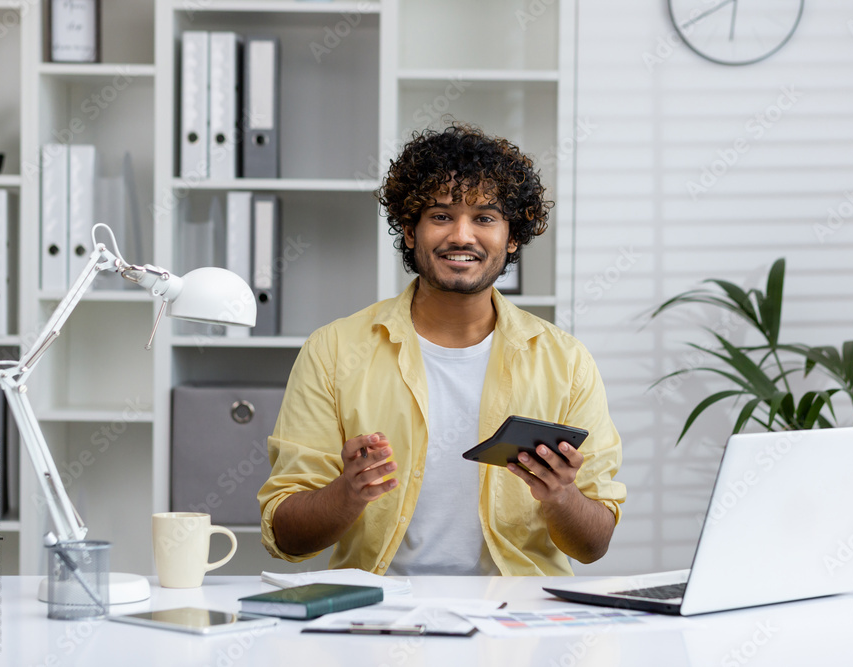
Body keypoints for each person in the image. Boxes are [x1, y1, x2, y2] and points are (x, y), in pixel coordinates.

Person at [258, 123, 625, 576]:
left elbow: (594, 545)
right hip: (379, 616)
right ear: (410, 232)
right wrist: (347, 493)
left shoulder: (565, 361)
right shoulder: (333, 350)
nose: (462, 236)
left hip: (517, 621)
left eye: (485, 218)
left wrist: (561, 496)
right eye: (441, 215)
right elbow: (285, 537)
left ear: (512, 238)